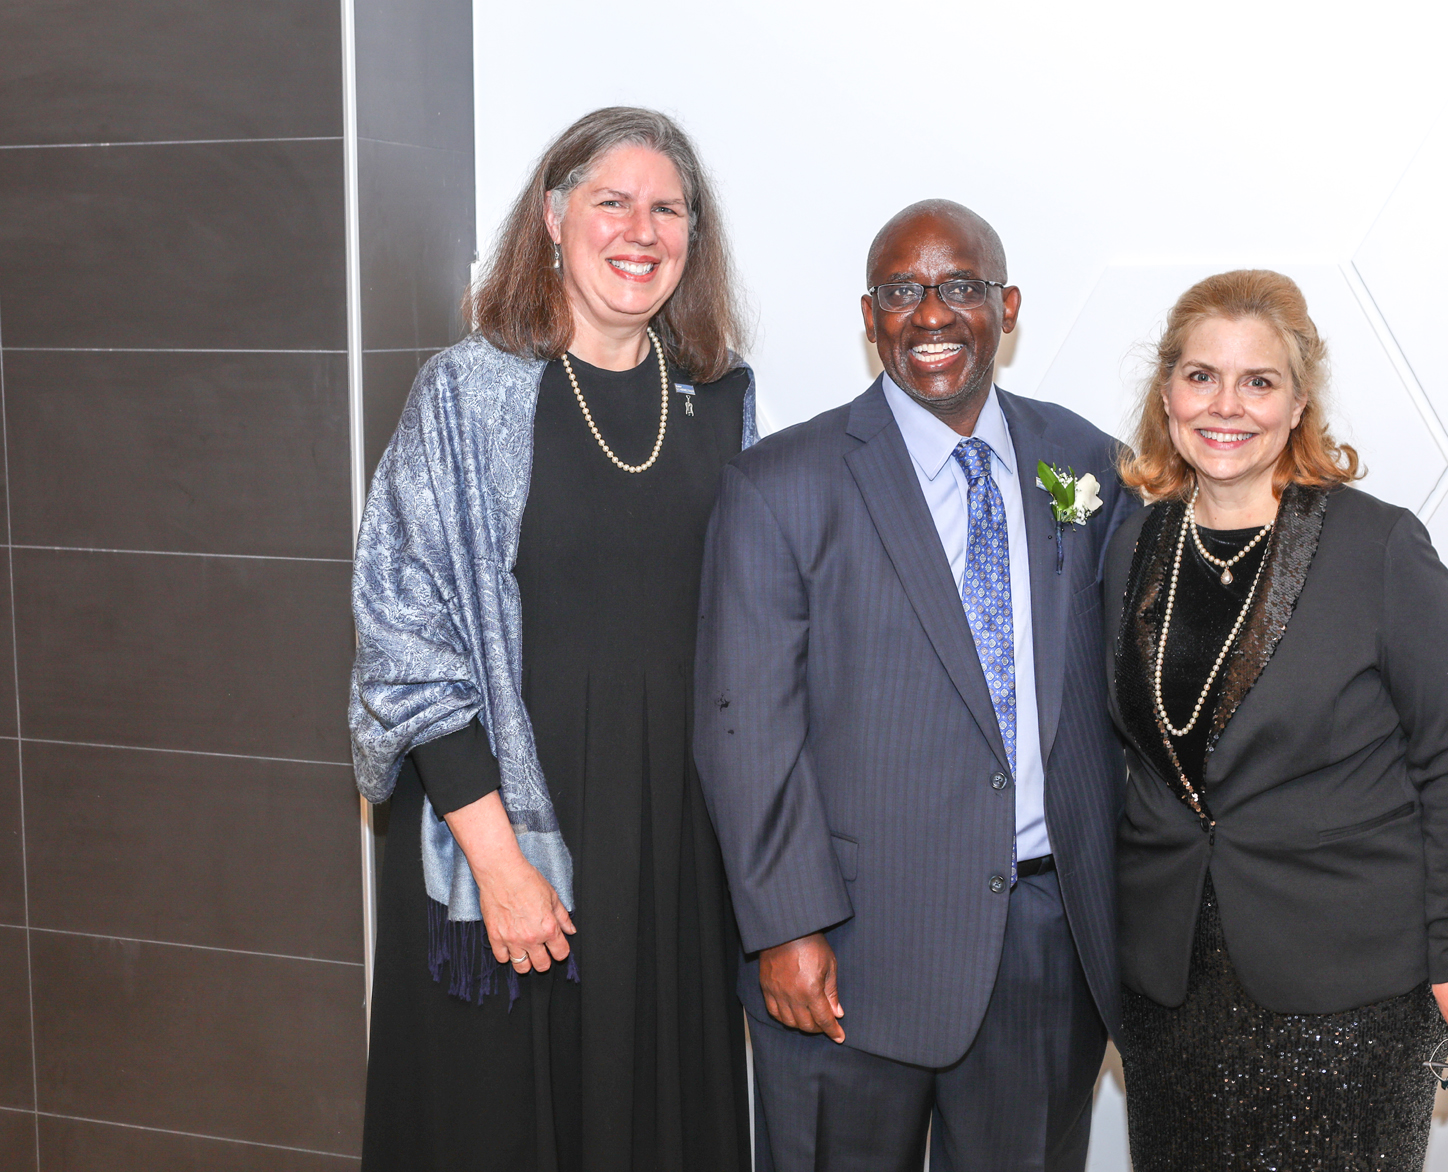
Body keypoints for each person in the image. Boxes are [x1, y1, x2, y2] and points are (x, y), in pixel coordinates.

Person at [692, 200, 1138, 1172]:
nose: (930, 312)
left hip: (1042, 956)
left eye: (959, 286)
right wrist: (787, 923)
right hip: (849, 958)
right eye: (902, 291)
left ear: (1006, 306)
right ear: (869, 315)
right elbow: (743, 726)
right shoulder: (782, 483)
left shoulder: (1086, 464)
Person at [350, 107, 755, 1172]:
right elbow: (404, 639)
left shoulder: (720, 400)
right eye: (611, 200)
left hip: (670, 848)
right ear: (553, 214)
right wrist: (501, 862)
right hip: (511, 830)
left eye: (668, 207)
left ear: (693, 239)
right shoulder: (469, 391)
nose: (640, 228)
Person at [1103, 269, 1448, 1170]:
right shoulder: (1133, 543)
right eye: (1201, 375)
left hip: (1349, 987)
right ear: (1166, 392)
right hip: (1170, 988)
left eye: (1259, 381)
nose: (1226, 405)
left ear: (1298, 404)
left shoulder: (1380, 547)